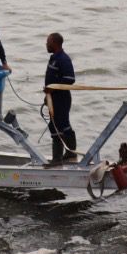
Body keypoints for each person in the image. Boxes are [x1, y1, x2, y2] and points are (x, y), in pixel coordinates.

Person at [44, 33, 77, 163]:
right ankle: (64, 155)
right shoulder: (54, 58)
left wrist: (53, 89)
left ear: (55, 43)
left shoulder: (64, 59)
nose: (46, 44)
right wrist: (48, 96)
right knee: (55, 125)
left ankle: (63, 156)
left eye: (48, 42)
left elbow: (70, 79)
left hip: (62, 99)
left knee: (61, 125)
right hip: (53, 98)